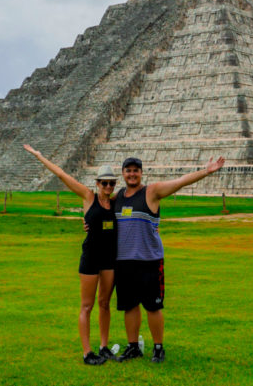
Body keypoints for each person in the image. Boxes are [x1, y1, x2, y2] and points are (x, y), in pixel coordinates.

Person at [102, 155, 225, 364]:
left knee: (153, 306)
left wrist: (206, 171)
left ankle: (158, 348)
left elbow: (180, 182)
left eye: (136, 170)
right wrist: (88, 224)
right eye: (128, 170)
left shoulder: (152, 191)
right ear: (122, 173)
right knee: (129, 306)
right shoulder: (118, 197)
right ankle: (133, 347)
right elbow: (100, 211)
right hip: (124, 261)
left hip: (149, 260)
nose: (132, 174)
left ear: (141, 173)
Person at [23, 144, 118, 366]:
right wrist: (39, 155)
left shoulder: (116, 203)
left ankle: (104, 346)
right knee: (87, 305)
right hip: (91, 258)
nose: (108, 186)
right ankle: (87, 352)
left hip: (109, 259)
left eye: (112, 183)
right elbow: (61, 174)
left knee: (105, 303)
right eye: (104, 182)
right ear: (97, 183)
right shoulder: (88, 196)